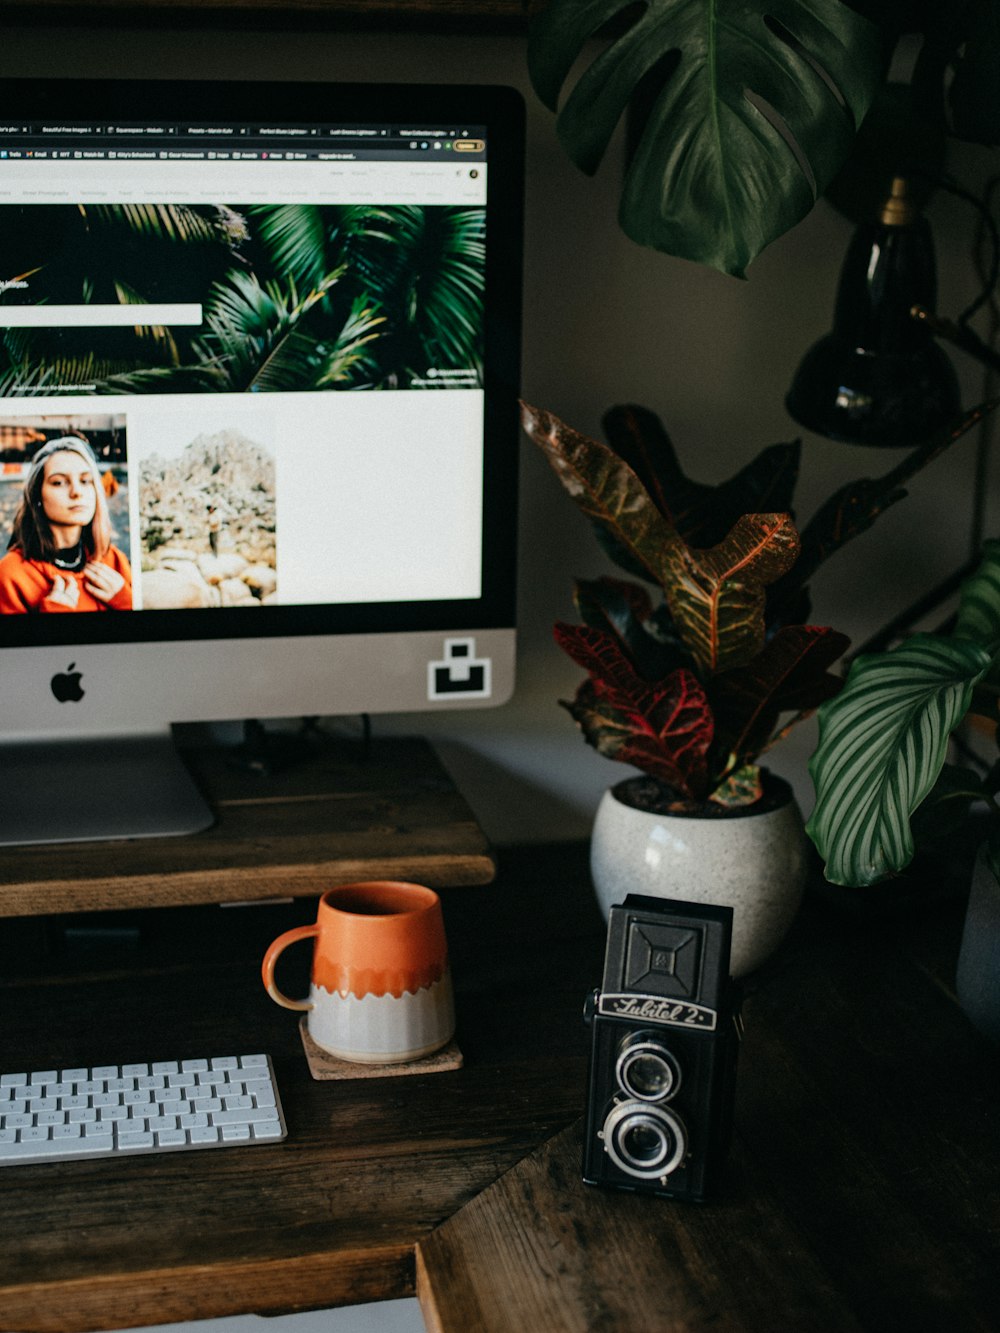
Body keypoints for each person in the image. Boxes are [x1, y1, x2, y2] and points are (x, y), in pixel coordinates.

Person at [0, 436, 132, 613]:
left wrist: (128, 603)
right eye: (59, 482)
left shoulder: (114, 560)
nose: (77, 492)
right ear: (37, 494)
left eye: (85, 481)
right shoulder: (11, 575)